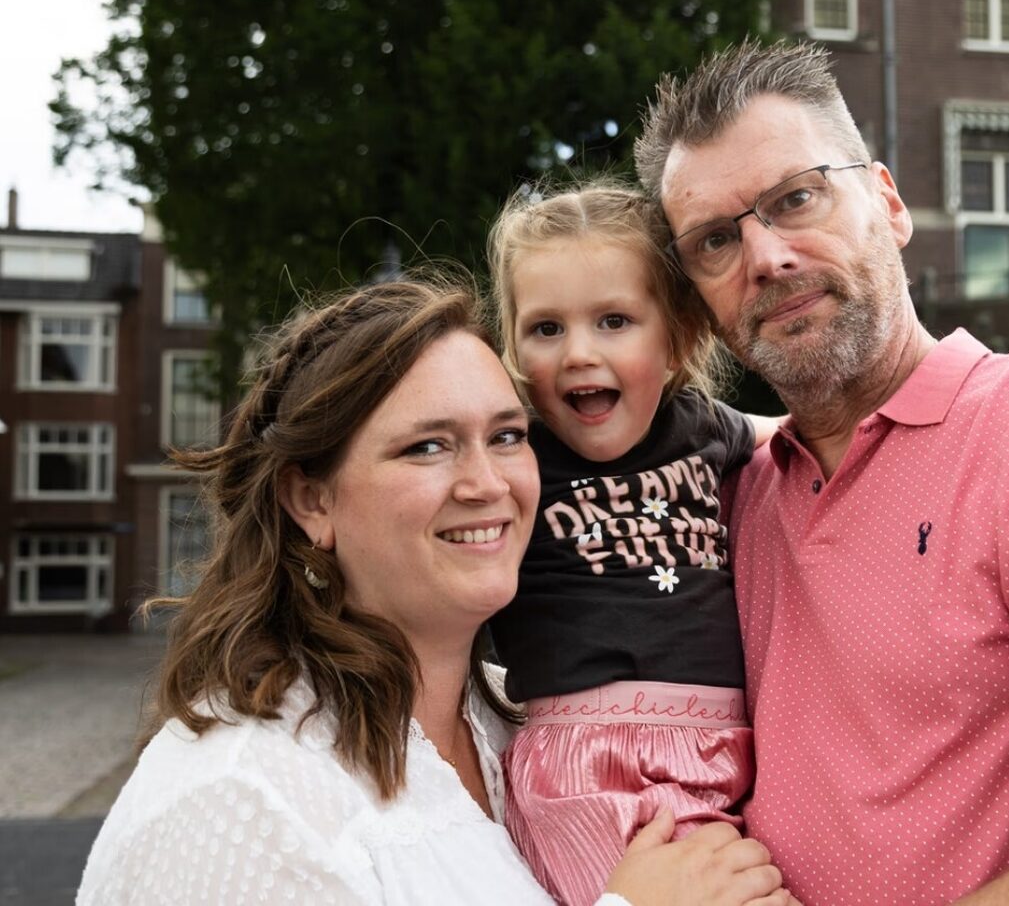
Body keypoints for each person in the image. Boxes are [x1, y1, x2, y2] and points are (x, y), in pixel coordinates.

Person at [632, 40, 1009, 905]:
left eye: (797, 197)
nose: (766, 257)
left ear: (888, 203)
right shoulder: (730, 496)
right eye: (714, 241)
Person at [76, 279, 792, 906]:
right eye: (427, 446)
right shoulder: (237, 795)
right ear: (312, 500)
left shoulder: (525, 721)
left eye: (507, 436)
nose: (488, 484)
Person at [486, 183, 778, 906]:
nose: (579, 353)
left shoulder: (701, 425)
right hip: (584, 763)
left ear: (676, 339)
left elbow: (801, 433)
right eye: (545, 328)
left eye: (614, 321)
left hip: (722, 751)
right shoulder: (519, 456)